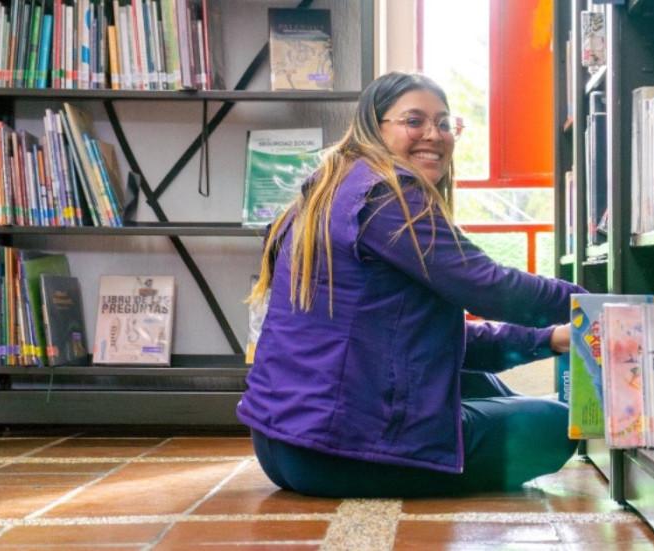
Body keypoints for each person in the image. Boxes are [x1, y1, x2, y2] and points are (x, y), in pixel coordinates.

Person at [237, 72, 586, 498]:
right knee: (557, 425)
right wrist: (594, 304)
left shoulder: (327, 194)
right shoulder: (385, 197)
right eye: (414, 121)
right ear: (373, 127)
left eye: (443, 123)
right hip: (335, 453)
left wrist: (550, 338)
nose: (433, 135)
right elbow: (491, 287)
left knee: (478, 385)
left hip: (282, 447)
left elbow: (426, 341)